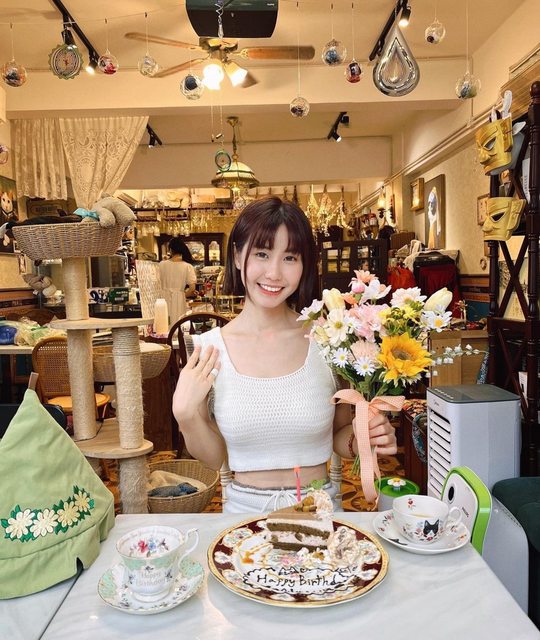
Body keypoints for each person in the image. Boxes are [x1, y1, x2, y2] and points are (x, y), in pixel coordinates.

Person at [172, 197, 396, 514]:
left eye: (290, 257)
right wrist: (186, 416)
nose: (274, 273)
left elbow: (339, 433)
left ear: (304, 265)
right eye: (262, 254)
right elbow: (214, 458)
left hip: (318, 509)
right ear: (237, 256)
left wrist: (363, 439)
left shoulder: (327, 340)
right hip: (243, 517)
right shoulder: (210, 350)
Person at [158, 237, 197, 327]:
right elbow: (192, 288)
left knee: (163, 325)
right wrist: (182, 295)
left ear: (170, 250)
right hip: (179, 299)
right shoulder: (187, 266)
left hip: (163, 299)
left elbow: (156, 283)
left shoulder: (161, 264)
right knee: (178, 325)